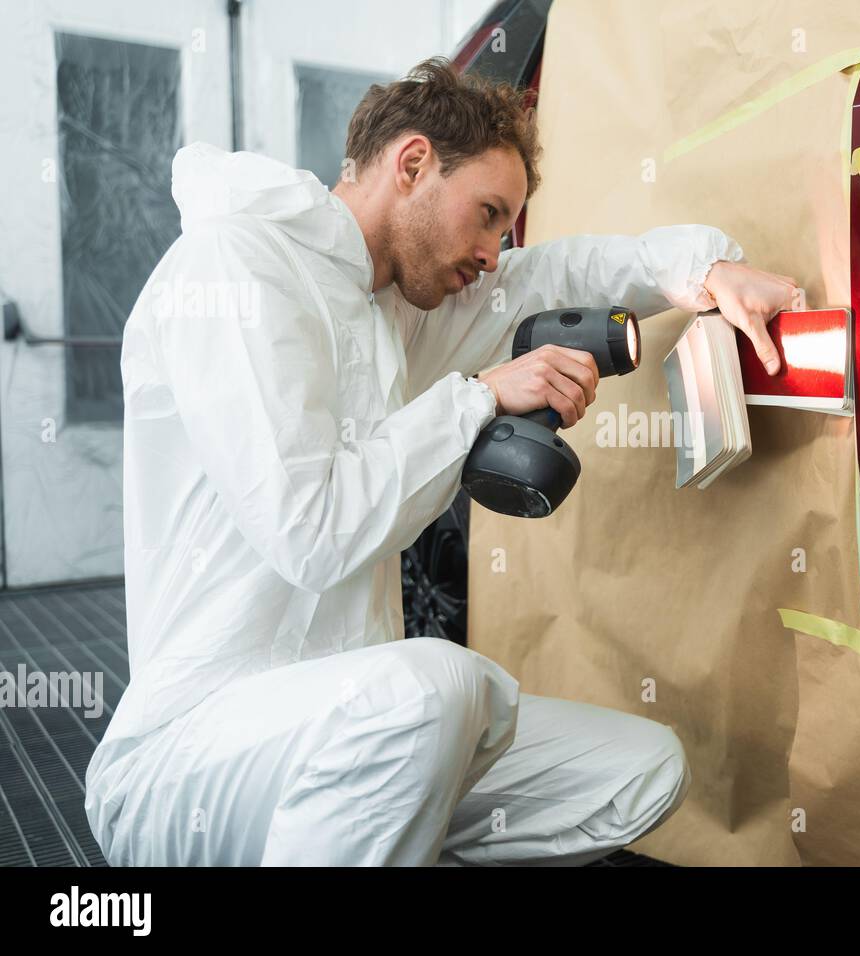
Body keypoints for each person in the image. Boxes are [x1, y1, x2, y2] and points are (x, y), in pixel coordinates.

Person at [84, 56, 798, 866]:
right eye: (488, 214)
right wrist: (480, 397)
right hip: (196, 758)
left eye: (505, 230)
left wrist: (709, 267)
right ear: (413, 164)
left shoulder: (397, 310)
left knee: (637, 770)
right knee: (435, 691)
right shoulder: (237, 269)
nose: (494, 253)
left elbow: (561, 272)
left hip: (362, 738)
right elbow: (311, 531)